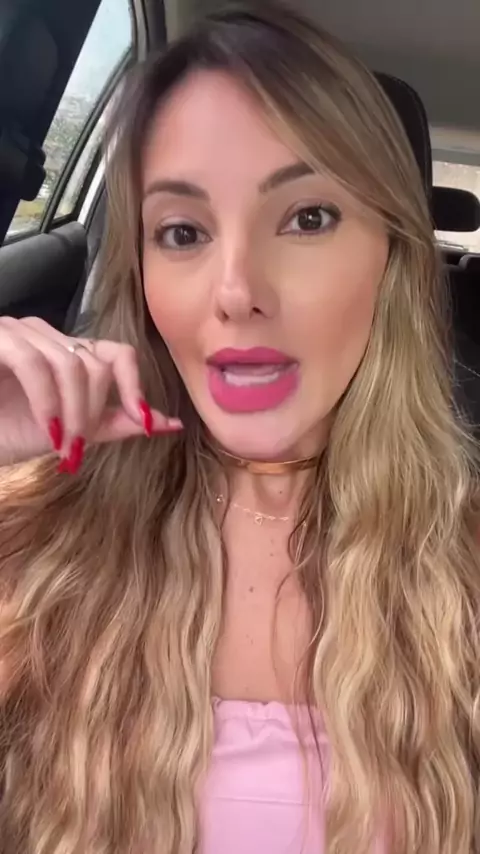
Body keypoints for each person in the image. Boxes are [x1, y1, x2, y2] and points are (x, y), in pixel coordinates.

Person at [0, 2, 478, 853]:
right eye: (182, 232)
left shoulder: (465, 568)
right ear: (142, 275)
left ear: (392, 257)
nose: (235, 291)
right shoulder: (33, 537)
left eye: (307, 218)